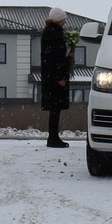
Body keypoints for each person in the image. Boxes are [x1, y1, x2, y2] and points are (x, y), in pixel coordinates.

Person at [40, 8, 72, 148]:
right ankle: (53, 138)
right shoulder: (54, 34)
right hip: (55, 78)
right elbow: (54, 58)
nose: (65, 21)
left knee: (55, 108)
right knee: (55, 108)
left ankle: (53, 137)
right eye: (63, 19)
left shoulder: (50, 32)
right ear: (58, 19)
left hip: (51, 77)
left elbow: (52, 57)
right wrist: (59, 77)